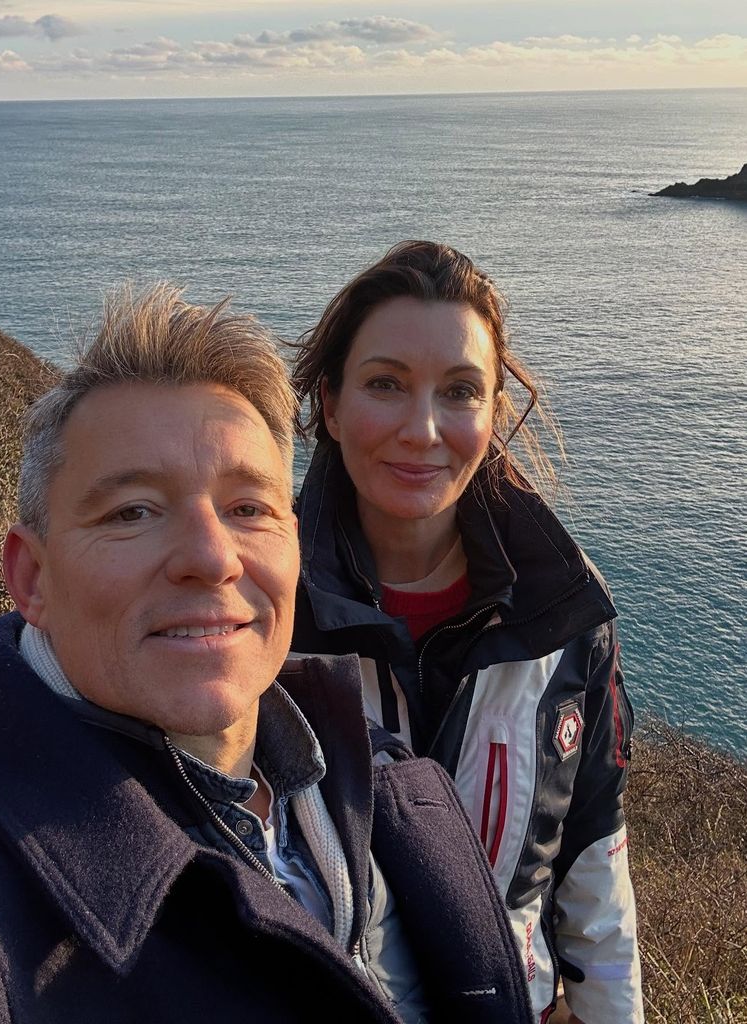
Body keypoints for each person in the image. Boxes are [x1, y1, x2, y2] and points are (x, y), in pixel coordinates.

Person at [0, 285, 533, 1023]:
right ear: (32, 577)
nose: (212, 558)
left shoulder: (379, 777)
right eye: (133, 512)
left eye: (248, 508)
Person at [291, 241, 643, 1024]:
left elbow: (591, 852)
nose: (422, 429)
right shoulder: (260, 606)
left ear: (492, 411)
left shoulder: (564, 609)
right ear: (330, 403)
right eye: (385, 384)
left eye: (458, 391)